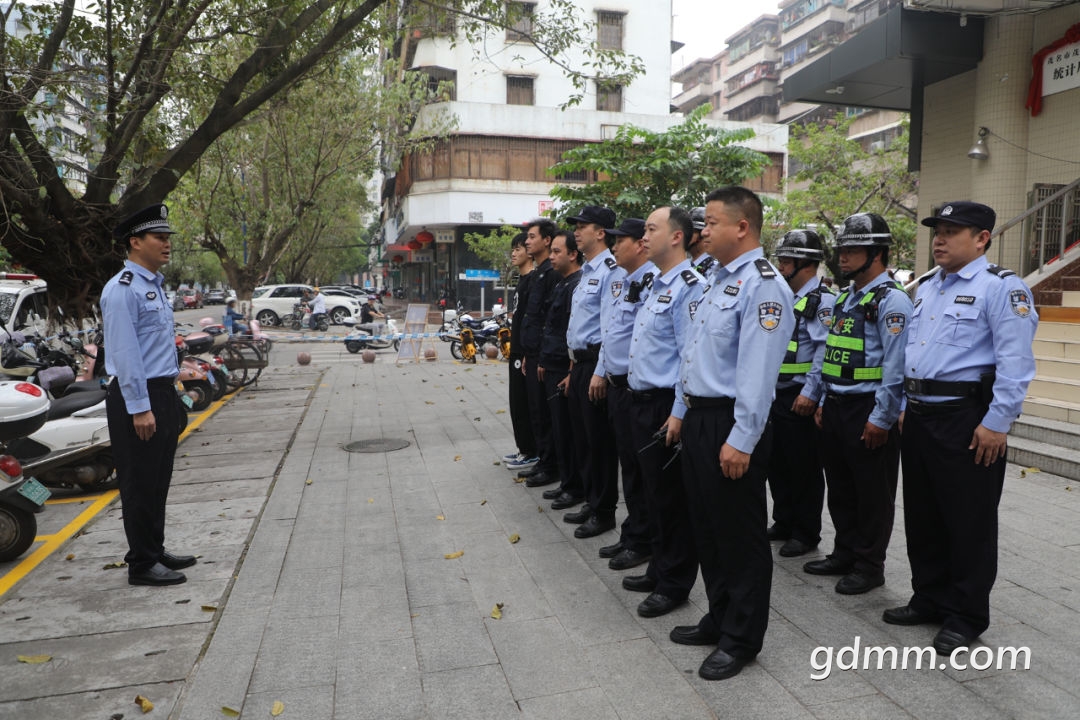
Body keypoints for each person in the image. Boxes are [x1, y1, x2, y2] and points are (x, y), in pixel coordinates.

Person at [887, 201, 1037, 656]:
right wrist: (904, 405)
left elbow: (1016, 364)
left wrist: (997, 423)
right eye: (938, 230)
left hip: (966, 419)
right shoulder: (929, 286)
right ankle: (929, 597)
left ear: (982, 238)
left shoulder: (1002, 288)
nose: (940, 239)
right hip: (920, 415)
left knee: (968, 521)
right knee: (924, 515)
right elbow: (913, 351)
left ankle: (966, 615)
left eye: (952, 231)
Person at [673, 186, 794, 681]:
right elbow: (696, 355)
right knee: (708, 529)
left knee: (740, 537)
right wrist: (682, 411)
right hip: (701, 417)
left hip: (732, 422)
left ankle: (741, 638)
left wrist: (742, 439)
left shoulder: (763, 286)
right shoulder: (717, 279)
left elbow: (758, 375)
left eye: (711, 222)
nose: (703, 231)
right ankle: (720, 617)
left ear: (742, 227)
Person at [805, 213, 912, 596]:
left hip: (868, 409)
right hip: (836, 406)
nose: (843, 257)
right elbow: (831, 351)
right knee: (841, 487)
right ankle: (845, 552)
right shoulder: (847, 297)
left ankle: (869, 565)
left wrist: (882, 418)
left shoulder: (892, 301)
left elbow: (895, 367)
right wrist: (822, 398)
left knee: (871, 493)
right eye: (842, 250)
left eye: (852, 250)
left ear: (877, 254)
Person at [101, 204, 195, 587]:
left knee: (158, 478)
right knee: (139, 482)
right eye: (159, 237)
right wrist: (140, 408)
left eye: (168, 237)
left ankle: (154, 549)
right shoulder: (122, 290)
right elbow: (125, 355)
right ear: (135, 242)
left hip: (161, 391)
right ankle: (141, 563)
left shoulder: (152, 285)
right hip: (136, 397)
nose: (166, 244)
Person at [622, 206, 705, 619]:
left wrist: (677, 412)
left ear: (676, 237)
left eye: (651, 229)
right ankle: (659, 566)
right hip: (640, 400)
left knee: (671, 500)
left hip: (665, 406)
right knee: (653, 494)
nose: (643, 237)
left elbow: (690, 355)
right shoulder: (656, 282)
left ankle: (674, 582)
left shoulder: (691, 287)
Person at [766, 230, 836, 558]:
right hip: (777, 394)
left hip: (799, 396)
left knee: (803, 467)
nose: (780, 266)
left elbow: (823, 350)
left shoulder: (822, 302)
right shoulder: (786, 296)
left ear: (806, 264)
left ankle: (805, 532)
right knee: (778, 463)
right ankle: (784, 521)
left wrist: (811, 393)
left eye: (786, 260)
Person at [595, 218, 656, 572]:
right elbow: (613, 332)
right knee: (629, 469)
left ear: (640, 245)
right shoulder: (626, 279)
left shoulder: (654, 281)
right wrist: (601, 370)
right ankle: (633, 533)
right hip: (619, 386)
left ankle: (644, 540)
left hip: (641, 390)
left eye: (621, 240)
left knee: (643, 473)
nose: (614, 246)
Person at [564, 205, 620, 539]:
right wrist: (573, 367)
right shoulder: (587, 271)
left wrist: (599, 371)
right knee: (582, 439)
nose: (576, 231)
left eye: (582, 226)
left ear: (601, 233)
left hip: (596, 363)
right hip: (580, 363)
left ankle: (604, 510)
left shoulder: (611, 271)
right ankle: (591, 499)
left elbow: (609, 327)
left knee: (598, 442)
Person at [539, 230, 584, 509]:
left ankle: (575, 486)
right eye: (551, 251)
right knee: (558, 429)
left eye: (557, 251)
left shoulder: (576, 284)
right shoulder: (562, 283)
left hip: (564, 367)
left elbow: (572, 332)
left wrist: (570, 371)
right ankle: (567, 482)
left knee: (568, 432)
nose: (552, 257)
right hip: (552, 363)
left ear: (573, 254)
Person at [517, 219, 562, 488]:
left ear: (547, 240)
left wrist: (543, 355)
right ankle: (544, 460)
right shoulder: (538, 273)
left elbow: (549, 320)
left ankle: (550, 465)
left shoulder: (552, 273)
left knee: (545, 414)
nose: (527, 241)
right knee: (536, 410)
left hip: (544, 356)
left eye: (532, 237)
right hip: (533, 353)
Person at [502, 232, 539, 470]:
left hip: (525, 353)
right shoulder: (521, 280)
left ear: (529, 252)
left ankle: (531, 451)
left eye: (518, 249)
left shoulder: (534, 281)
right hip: (515, 350)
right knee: (516, 402)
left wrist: (526, 351)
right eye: (513, 249)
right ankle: (523, 448)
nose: (513, 254)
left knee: (524, 403)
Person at [686, 206, 716, 277]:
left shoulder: (713, 269)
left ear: (703, 234)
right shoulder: (687, 265)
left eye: (690, 231)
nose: (685, 235)